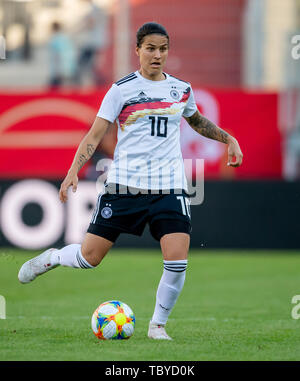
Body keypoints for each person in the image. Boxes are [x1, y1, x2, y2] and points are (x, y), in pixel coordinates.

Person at [18, 22, 243, 340]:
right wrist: (72, 171)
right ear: (137, 50)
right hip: (125, 187)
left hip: (170, 187)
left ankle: (158, 326)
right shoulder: (121, 90)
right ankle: (53, 257)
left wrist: (228, 138)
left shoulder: (181, 89)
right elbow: (94, 136)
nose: (157, 55)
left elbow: (197, 120)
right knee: (89, 258)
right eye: (150, 48)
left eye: (163, 49)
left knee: (177, 261)